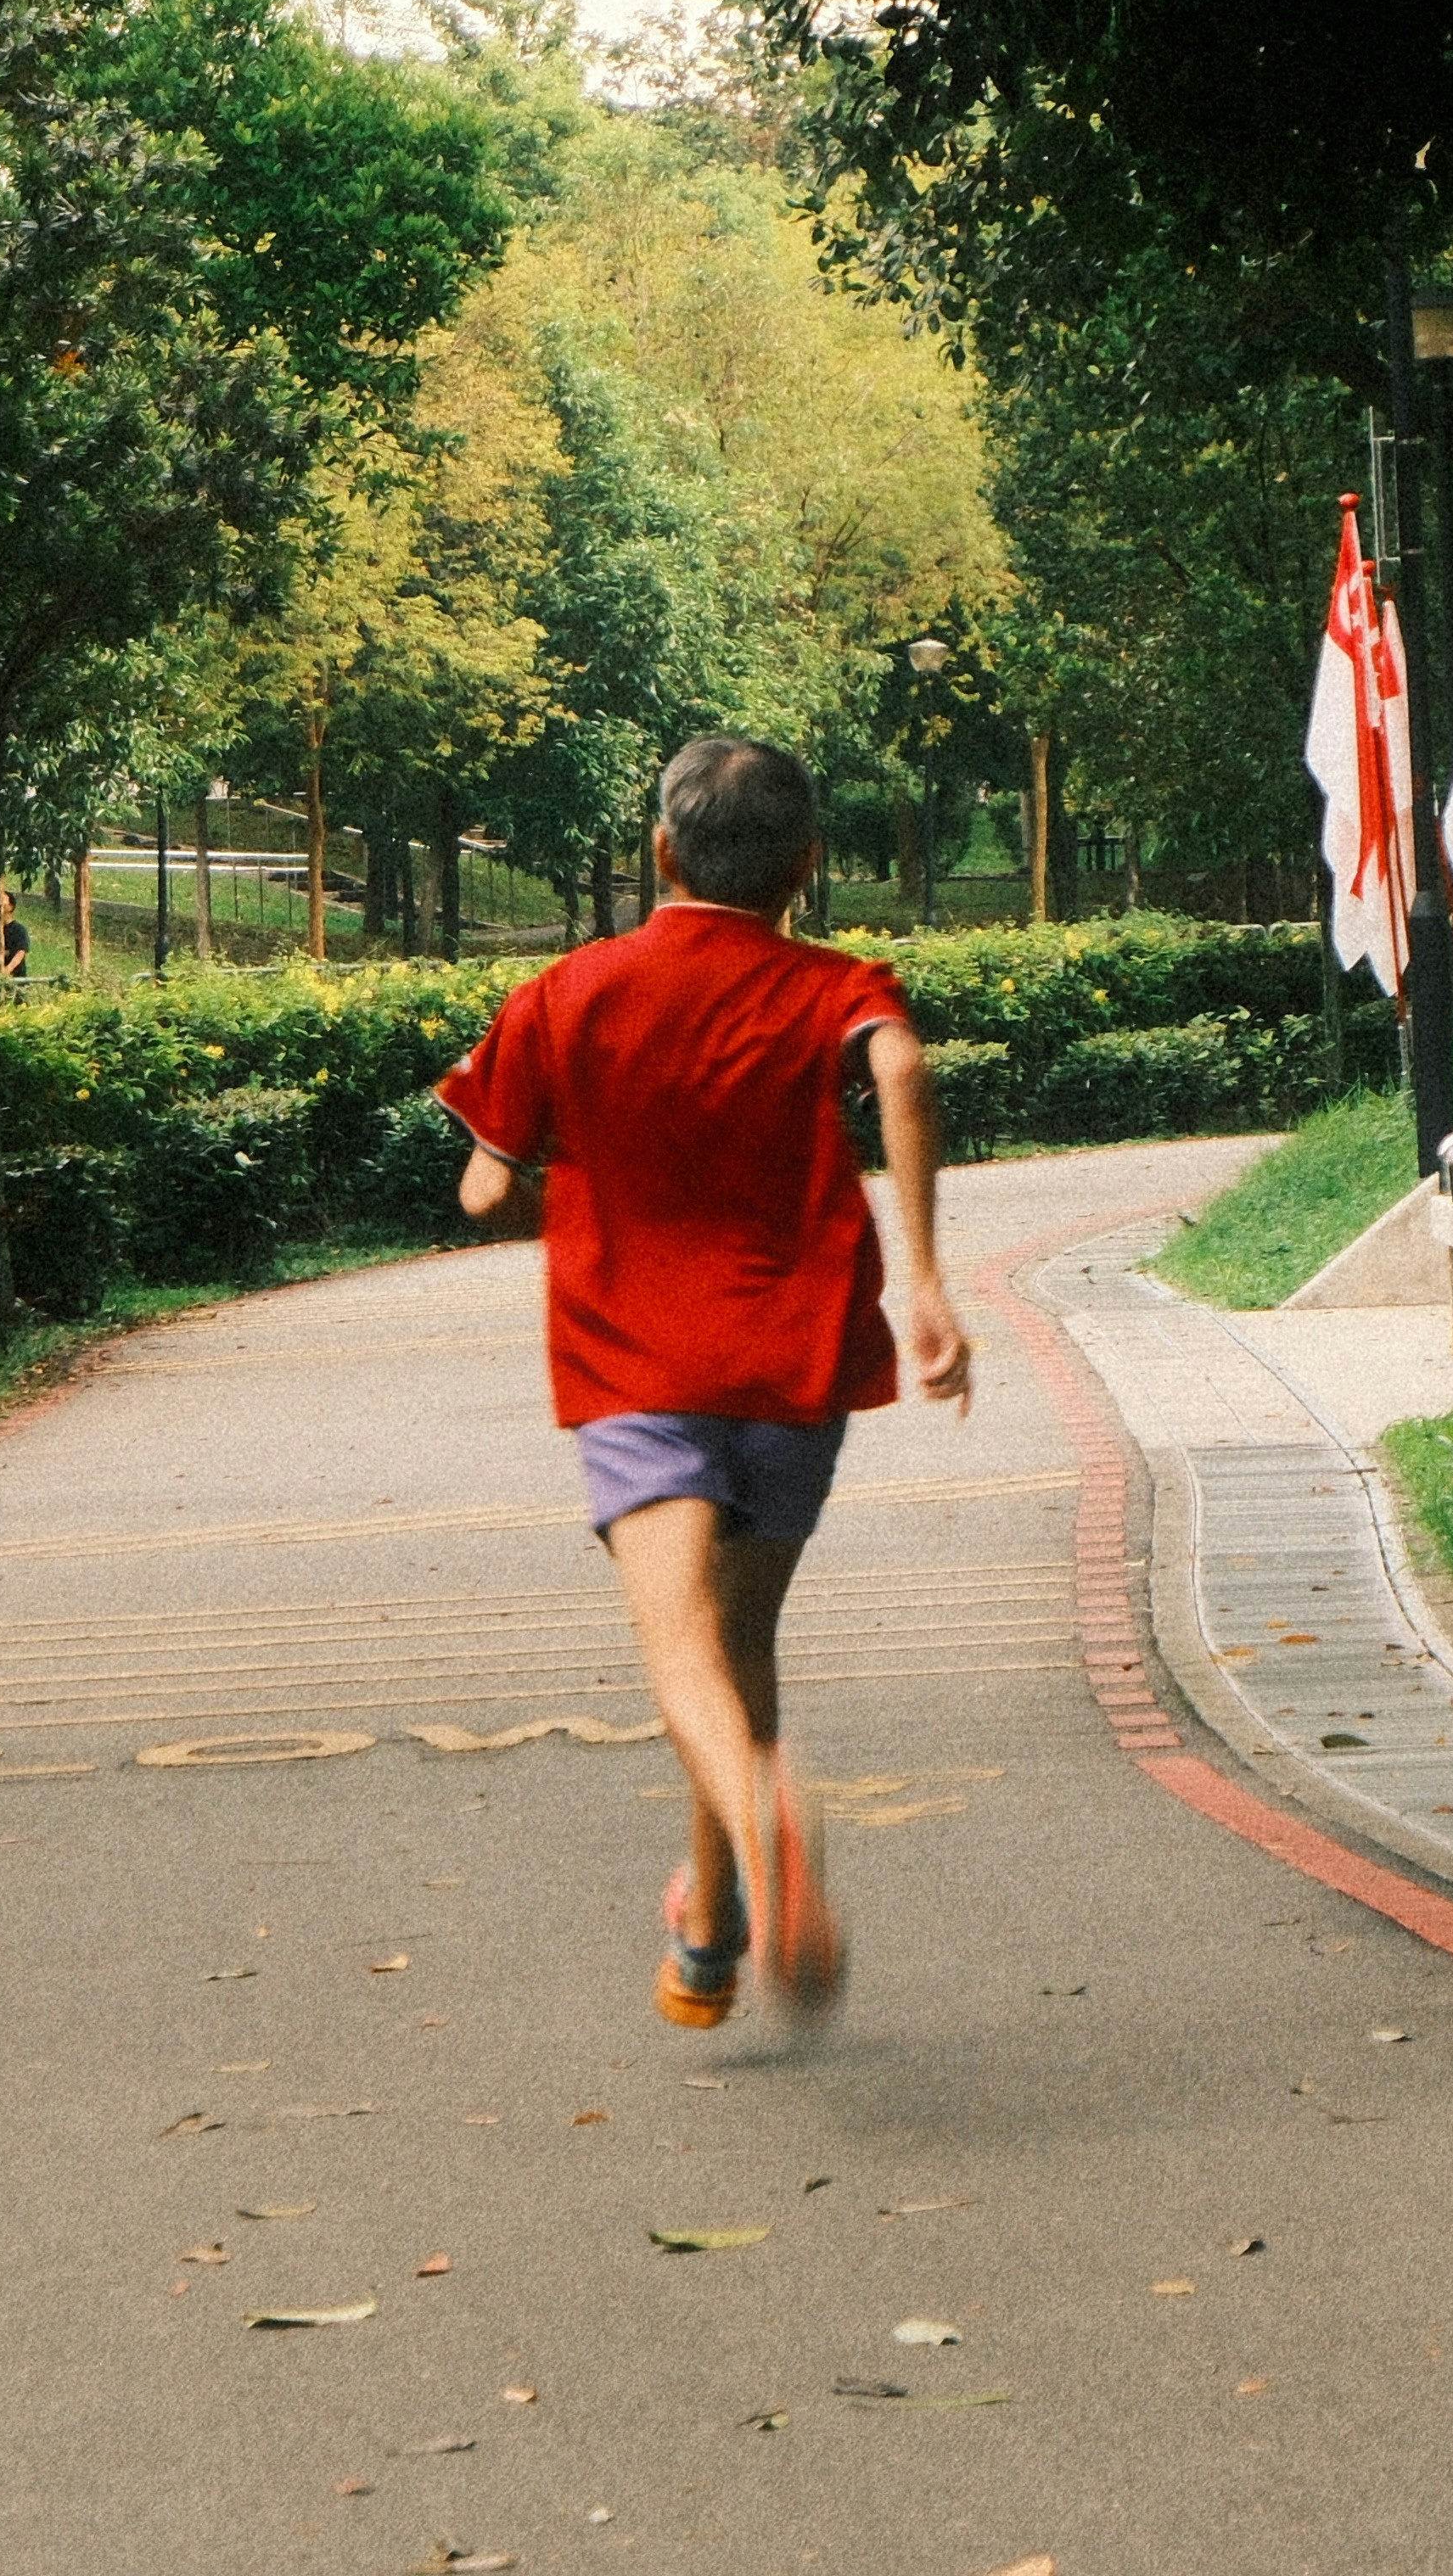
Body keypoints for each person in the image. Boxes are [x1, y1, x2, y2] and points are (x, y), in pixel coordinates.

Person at [444, 735, 968, 2024]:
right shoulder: (833, 984)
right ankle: (716, 1921)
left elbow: (486, 1186)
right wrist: (930, 1279)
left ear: (661, 851)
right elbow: (898, 1062)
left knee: (680, 1653)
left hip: (636, 1365)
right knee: (742, 1646)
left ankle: (765, 1821)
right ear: (807, 868)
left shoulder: (568, 990)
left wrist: (558, 1211)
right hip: (795, 1360)